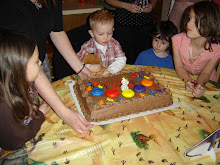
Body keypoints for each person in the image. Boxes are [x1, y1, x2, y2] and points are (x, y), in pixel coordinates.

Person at [0, 0, 93, 133]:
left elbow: (56, 31)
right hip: (17, 68)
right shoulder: (9, 7)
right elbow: (24, 65)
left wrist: (81, 69)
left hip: (32, 62)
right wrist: (63, 111)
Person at [0, 29, 51, 150]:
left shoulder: (25, 82)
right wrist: (41, 114)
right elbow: (15, 143)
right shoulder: (5, 107)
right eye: (36, 60)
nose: (40, 62)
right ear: (19, 68)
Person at [172, 1, 220, 98]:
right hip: (183, 77)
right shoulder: (177, 40)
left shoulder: (217, 49)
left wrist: (198, 86)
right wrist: (187, 80)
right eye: (189, 18)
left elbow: (206, 73)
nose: (188, 23)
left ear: (211, 24)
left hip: (206, 81)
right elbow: (179, 67)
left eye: (196, 21)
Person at [105, 0, 157, 64]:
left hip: (146, 26)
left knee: (144, 57)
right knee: (123, 58)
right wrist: (125, 5)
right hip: (124, 26)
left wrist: (152, 5)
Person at [77, 10, 126, 75]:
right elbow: (76, 62)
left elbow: (121, 60)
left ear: (113, 30)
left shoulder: (115, 44)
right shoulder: (86, 47)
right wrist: (88, 67)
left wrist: (110, 70)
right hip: (93, 78)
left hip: (111, 76)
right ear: (92, 33)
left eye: (109, 33)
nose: (106, 37)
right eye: (101, 34)